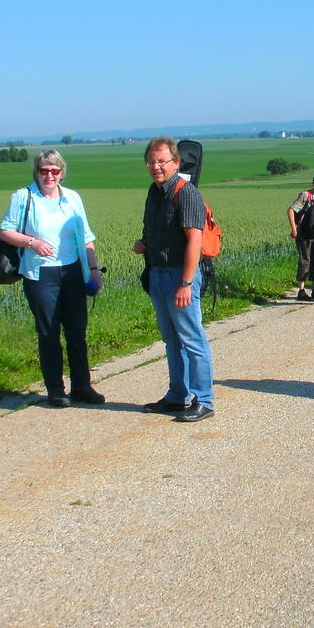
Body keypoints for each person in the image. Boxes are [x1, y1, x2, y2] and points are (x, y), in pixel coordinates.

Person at [0, 149, 105, 408]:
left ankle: (82, 387)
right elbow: (5, 231)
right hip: (40, 274)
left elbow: (87, 235)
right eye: (44, 170)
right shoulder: (23, 197)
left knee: (77, 332)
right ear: (36, 172)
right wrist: (32, 242)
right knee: (49, 332)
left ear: (61, 172)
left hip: (73, 271)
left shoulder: (72, 198)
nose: (49, 175)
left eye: (54, 171)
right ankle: (55, 390)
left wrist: (93, 269)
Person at [134, 136, 214, 423]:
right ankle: (177, 396)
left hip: (180, 276)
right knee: (171, 340)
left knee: (192, 339)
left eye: (162, 161)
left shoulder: (186, 192)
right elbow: (159, 230)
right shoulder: (154, 192)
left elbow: (195, 240)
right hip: (157, 273)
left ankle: (203, 399)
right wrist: (144, 243)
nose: (156, 166)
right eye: (151, 161)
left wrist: (186, 283)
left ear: (176, 163)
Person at [286, 173, 314, 301]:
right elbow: (291, 210)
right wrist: (293, 229)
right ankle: (301, 290)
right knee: (305, 260)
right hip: (304, 233)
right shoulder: (305, 195)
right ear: (312, 182)